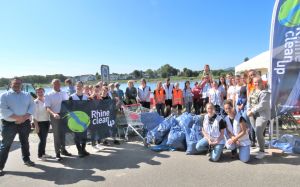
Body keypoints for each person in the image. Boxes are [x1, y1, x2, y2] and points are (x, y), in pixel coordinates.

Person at [0, 78, 35, 176]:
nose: (17, 85)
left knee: (25, 142)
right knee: (5, 145)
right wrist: (17, 118)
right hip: (9, 124)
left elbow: (32, 106)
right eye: (14, 83)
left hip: (24, 123)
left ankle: (26, 159)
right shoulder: (4, 95)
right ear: (10, 84)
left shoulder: (27, 95)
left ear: (21, 85)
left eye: (19, 84)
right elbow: (3, 109)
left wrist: (25, 117)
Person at [45, 79, 72, 161]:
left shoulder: (64, 93)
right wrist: (53, 114)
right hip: (55, 116)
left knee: (64, 134)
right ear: (52, 85)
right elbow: (47, 107)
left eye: (58, 84)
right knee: (56, 135)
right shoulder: (49, 94)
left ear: (60, 84)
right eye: (55, 84)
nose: (57, 85)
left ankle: (63, 150)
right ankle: (57, 153)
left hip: (64, 115)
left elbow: (68, 103)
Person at [247, 76, 271, 159]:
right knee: (257, 132)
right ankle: (258, 146)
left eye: (258, 82)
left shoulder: (265, 93)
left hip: (262, 115)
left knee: (258, 132)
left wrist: (252, 111)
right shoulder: (252, 90)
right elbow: (249, 101)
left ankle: (262, 151)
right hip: (252, 115)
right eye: (254, 82)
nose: (256, 84)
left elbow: (262, 105)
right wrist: (248, 109)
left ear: (262, 82)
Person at [69, 81, 90, 158]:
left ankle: (83, 149)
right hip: (75, 119)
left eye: (80, 86)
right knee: (77, 135)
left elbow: (89, 107)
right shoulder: (72, 97)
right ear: (75, 87)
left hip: (84, 119)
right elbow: (69, 108)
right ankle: (79, 151)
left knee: (84, 135)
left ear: (83, 87)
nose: (79, 87)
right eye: (77, 86)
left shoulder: (86, 97)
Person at [33, 87, 51, 161]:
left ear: (44, 92)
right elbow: (34, 115)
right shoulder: (35, 102)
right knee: (42, 140)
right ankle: (39, 155)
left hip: (47, 121)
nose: (40, 93)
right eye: (38, 92)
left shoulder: (46, 100)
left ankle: (43, 153)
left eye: (41, 92)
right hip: (39, 123)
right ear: (36, 93)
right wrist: (36, 126)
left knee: (44, 139)